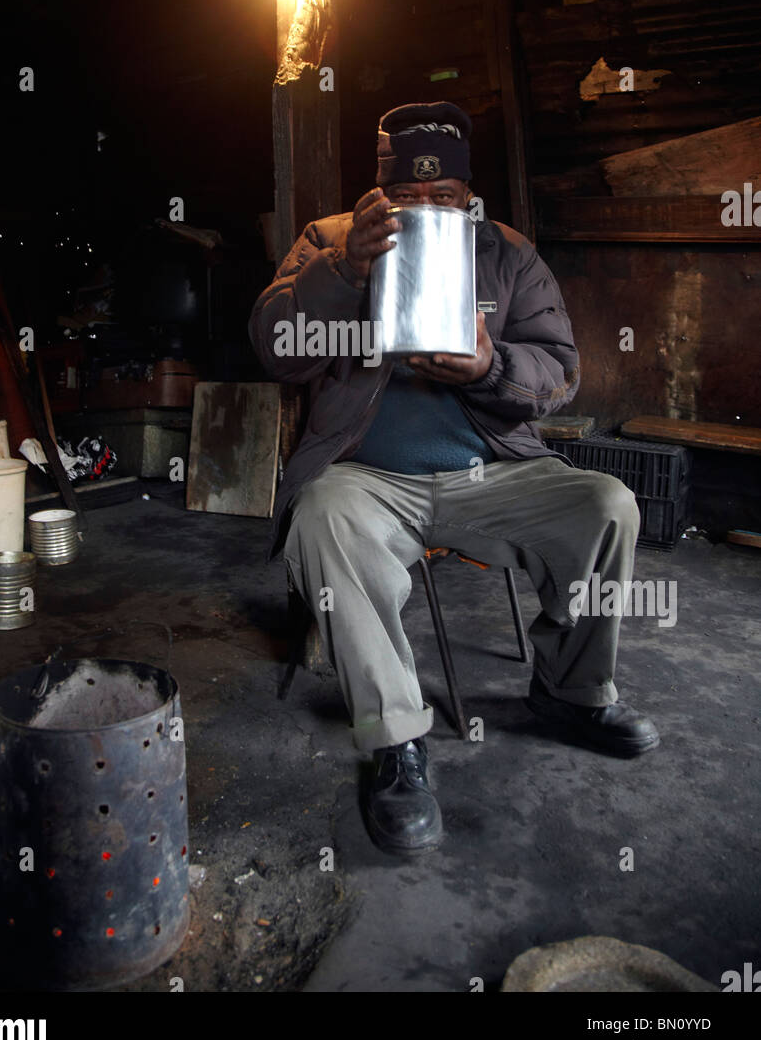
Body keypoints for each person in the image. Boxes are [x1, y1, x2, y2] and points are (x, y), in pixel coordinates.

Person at [249, 101, 659, 855]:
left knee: (607, 504)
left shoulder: (506, 253)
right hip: (367, 479)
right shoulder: (333, 241)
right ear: (382, 195)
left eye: (446, 199)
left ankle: (570, 694)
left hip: (491, 475)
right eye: (410, 197)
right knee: (322, 516)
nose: (428, 210)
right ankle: (396, 743)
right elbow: (275, 347)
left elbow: (560, 371)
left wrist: (489, 367)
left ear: (469, 196)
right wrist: (343, 272)